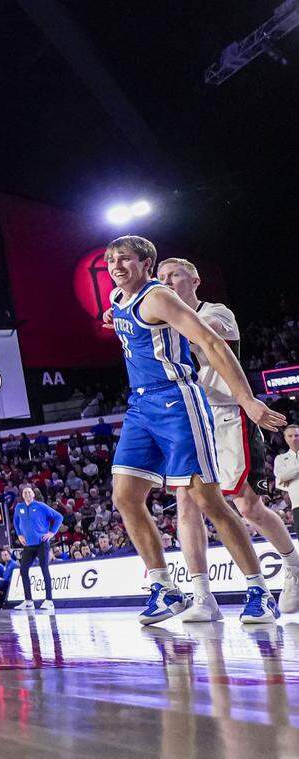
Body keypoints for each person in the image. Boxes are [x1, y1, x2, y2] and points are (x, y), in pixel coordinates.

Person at [105, 236, 286, 625]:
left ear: (146, 264)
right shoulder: (119, 299)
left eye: (125, 260)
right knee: (125, 494)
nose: (116, 266)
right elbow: (123, 317)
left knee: (208, 499)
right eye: (111, 261)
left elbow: (212, 342)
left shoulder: (158, 298)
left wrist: (248, 400)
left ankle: (259, 589)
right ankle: (165, 588)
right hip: (140, 406)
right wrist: (111, 315)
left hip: (177, 401)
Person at [156, 258, 299, 620]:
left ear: (195, 280)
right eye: (160, 278)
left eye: (173, 275)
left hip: (226, 414)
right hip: (188, 418)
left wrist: (159, 315)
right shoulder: (158, 323)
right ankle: (203, 595)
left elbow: (210, 332)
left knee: (247, 506)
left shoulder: (217, 312)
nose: (166, 281)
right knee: (187, 503)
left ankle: (293, 566)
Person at [13, 486, 63, 611]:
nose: (27, 494)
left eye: (29, 492)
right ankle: (28, 601)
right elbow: (15, 521)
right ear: (22, 495)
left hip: (42, 543)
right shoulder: (19, 507)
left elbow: (59, 517)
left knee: (44, 569)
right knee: (23, 571)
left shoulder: (41, 506)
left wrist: (52, 533)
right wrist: (19, 534)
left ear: (33, 495)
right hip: (28, 545)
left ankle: (49, 600)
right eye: (25, 492)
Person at [275, 425, 299, 508]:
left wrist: (290, 476)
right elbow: (280, 479)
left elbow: (285, 477)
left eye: (296, 435)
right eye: (290, 436)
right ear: (285, 438)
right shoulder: (280, 458)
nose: (294, 438)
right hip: (296, 504)